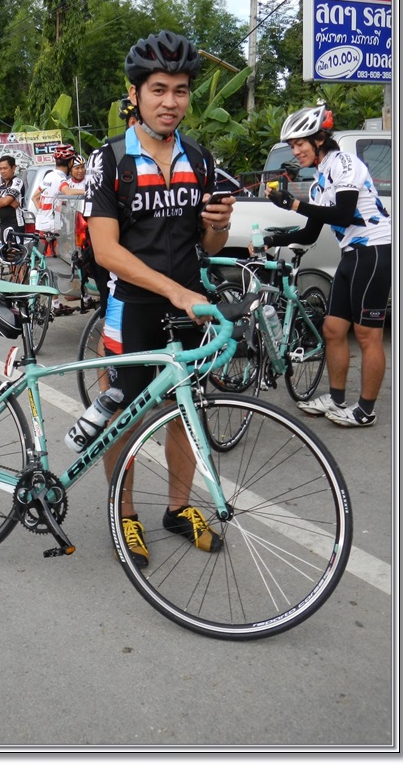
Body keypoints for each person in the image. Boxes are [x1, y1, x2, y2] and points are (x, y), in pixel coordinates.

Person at [84, 30, 235, 568]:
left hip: (187, 306)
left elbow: (208, 244)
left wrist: (219, 225)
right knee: (123, 415)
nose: (171, 102)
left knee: (183, 413)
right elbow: (105, 250)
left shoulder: (199, 157)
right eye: (159, 89)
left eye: (181, 90)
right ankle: (123, 514)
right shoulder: (109, 160)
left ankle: (177, 508)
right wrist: (175, 290)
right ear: (135, 93)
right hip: (133, 306)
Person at [262, 104, 392, 428]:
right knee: (333, 329)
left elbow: (343, 214)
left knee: (367, 335)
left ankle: (365, 411)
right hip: (351, 255)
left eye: (299, 143)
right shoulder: (320, 181)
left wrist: (294, 203)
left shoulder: (345, 163)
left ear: (319, 139)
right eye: (292, 145)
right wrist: (272, 239)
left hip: (374, 250)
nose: (295, 151)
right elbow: (310, 232)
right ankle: (336, 398)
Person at [31, 143, 77, 256]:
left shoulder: (49, 176)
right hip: (53, 228)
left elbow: (34, 197)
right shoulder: (60, 178)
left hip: (43, 225)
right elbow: (68, 192)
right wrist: (89, 191)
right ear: (71, 162)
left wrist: (43, 213)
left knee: (48, 258)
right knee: (56, 260)